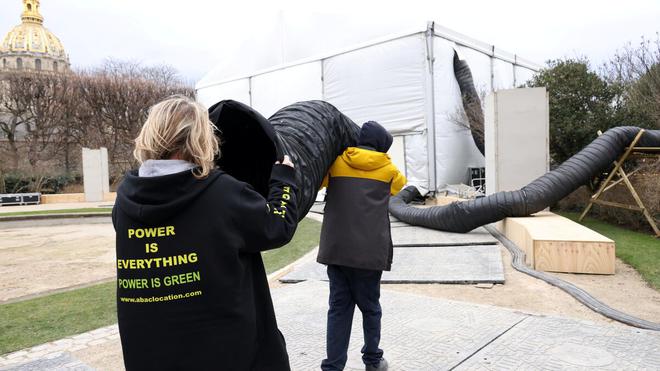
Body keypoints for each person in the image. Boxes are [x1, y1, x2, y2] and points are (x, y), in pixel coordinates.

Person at [112, 95, 298, 371]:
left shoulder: (125, 202)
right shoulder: (222, 194)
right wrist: (283, 180)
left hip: (151, 354)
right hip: (226, 354)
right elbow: (276, 226)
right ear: (199, 138)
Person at [317, 121, 406, 371]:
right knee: (370, 309)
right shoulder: (388, 169)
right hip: (369, 254)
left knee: (338, 310)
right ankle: (373, 361)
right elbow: (400, 187)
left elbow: (322, 182)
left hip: (337, 251)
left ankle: (332, 367)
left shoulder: (336, 163)